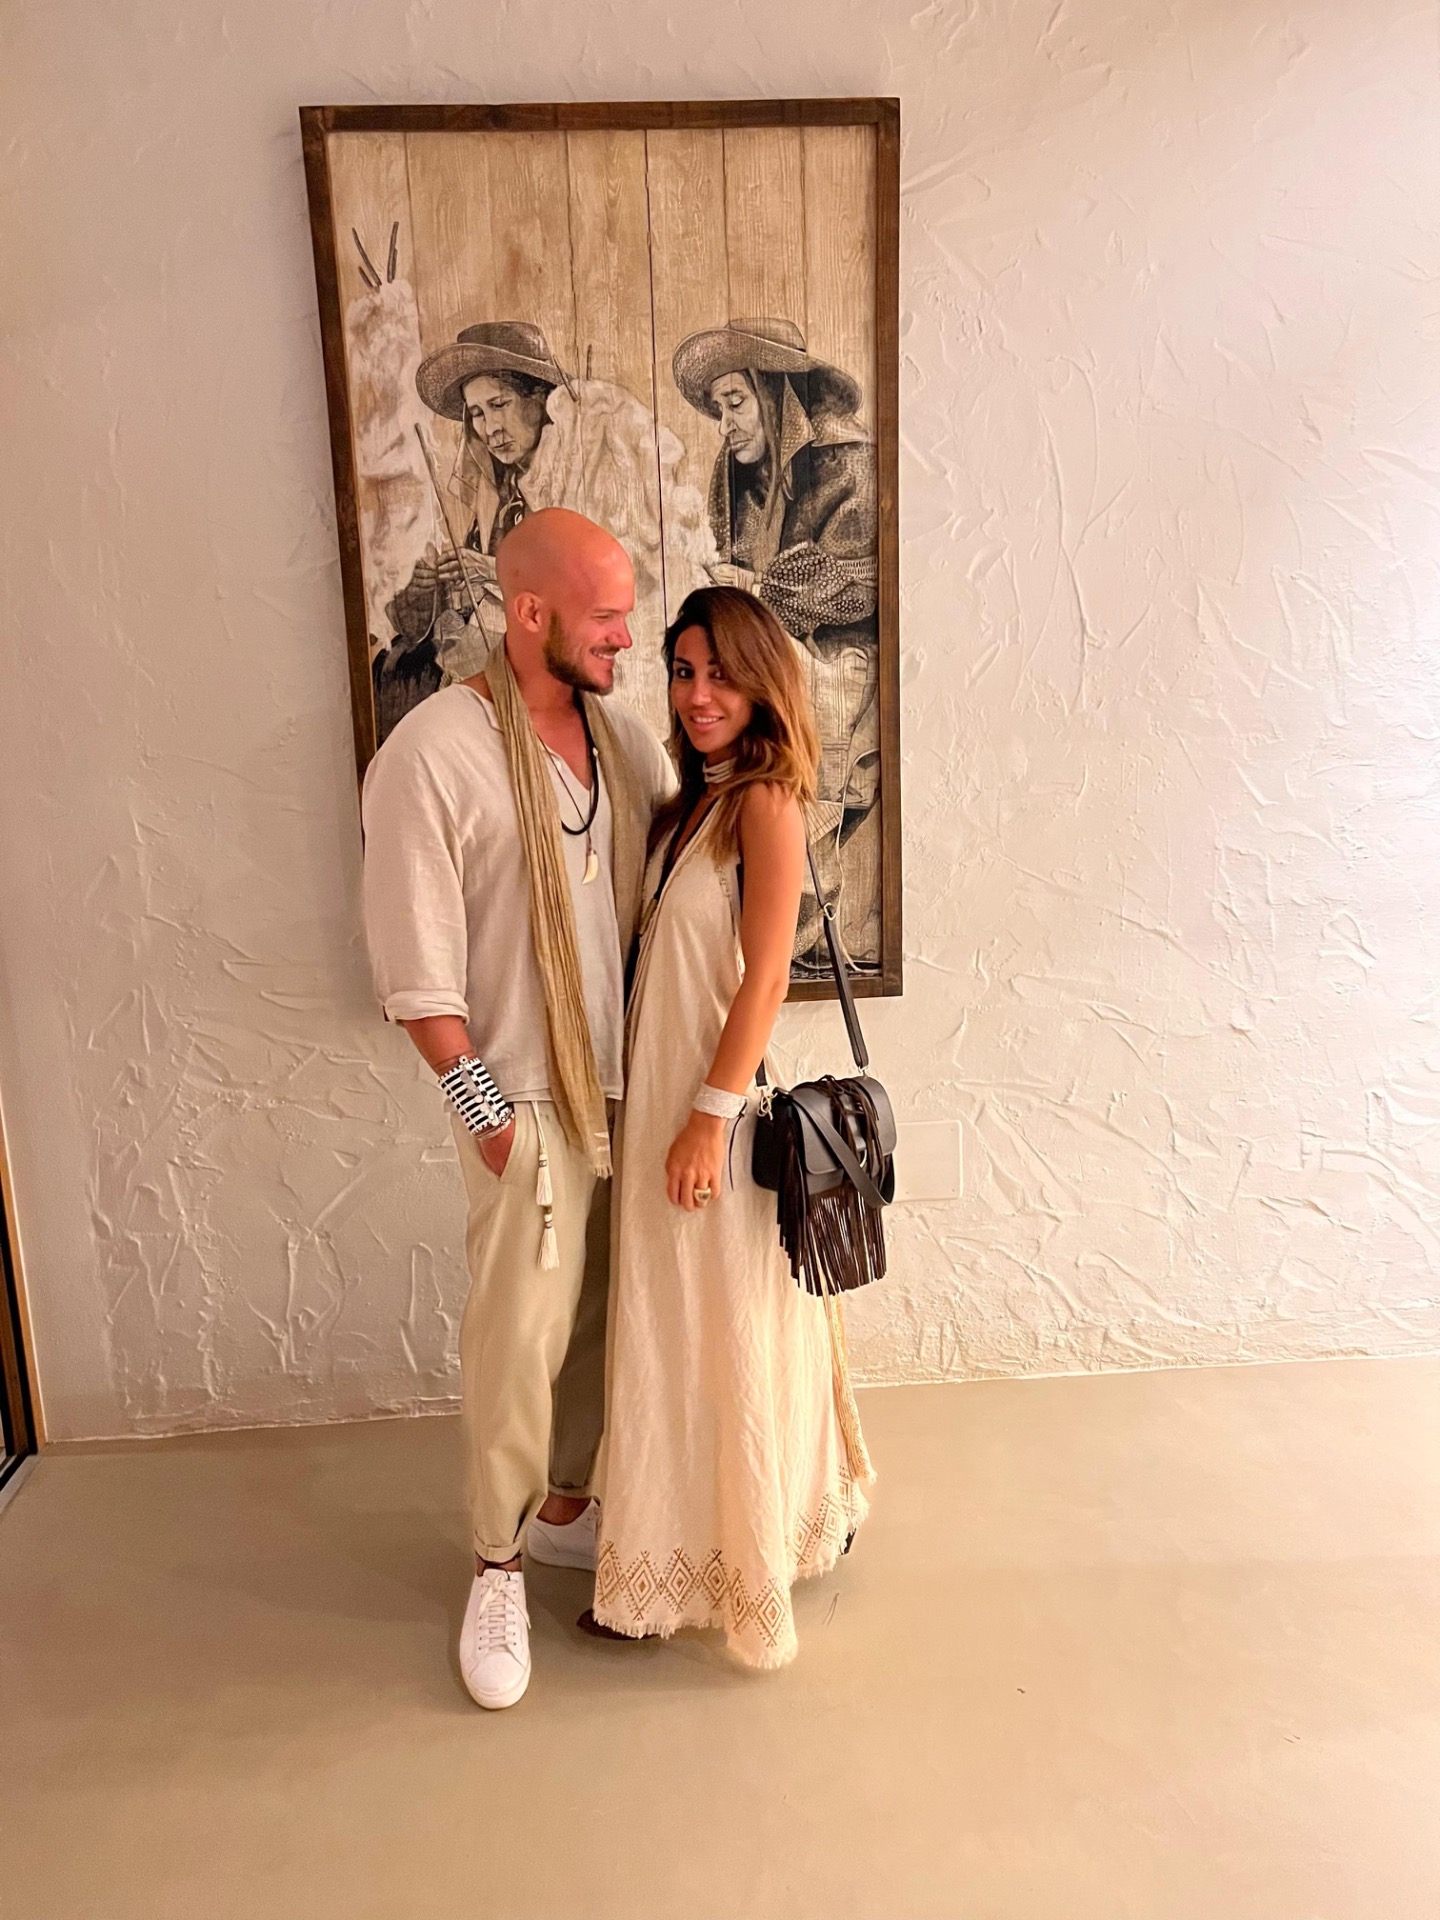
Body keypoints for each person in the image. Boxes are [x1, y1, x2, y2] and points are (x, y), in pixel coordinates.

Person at [361, 508, 674, 1709]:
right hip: (524, 1105)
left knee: (602, 1324)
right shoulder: (433, 754)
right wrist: (488, 1116)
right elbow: (416, 973)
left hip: (627, 1094)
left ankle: (565, 1513)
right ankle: (495, 1565)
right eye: (608, 617)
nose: (627, 638)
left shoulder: (626, 745)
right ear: (531, 613)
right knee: (517, 1342)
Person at [589, 586, 875, 1669]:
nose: (698, 694)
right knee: (677, 1327)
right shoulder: (686, 809)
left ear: (762, 684)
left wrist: (707, 1121)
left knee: (722, 1327)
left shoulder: (766, 803)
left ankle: (745, 1552)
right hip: (659, 1104)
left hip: (708, 1109)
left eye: (721, 673)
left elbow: (765, 978)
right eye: (683, 671)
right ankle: (679, 1545)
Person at [672, 317, 882, 971]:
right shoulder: (734, 473)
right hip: (762, 654)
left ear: (775, 395)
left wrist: (759, 590)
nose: (725, 424)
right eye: (718, 409)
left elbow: (858, 589)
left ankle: (797, 929)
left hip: (835, 656)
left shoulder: (848, 463)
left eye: (735, 402)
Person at [380, 320, 711, 730]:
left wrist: (495, 572)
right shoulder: (504, 495)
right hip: (529, 659)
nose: (490, 428)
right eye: (478, 414)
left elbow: (612, 581)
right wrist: (433, 584)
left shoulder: (590, 468)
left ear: (539, 398)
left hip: (604, 659)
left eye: (499, 404)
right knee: (401, 669)